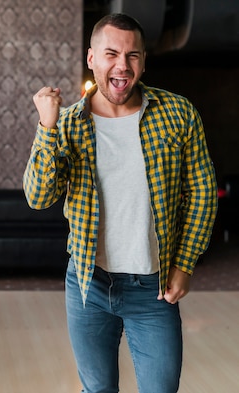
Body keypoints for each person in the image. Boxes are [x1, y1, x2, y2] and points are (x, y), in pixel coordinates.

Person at [23, 13, 217, 393]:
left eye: (133, 56)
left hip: (154, 286)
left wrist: (185, 264)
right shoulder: (66, 123)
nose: (122, 66)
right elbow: (38, 196)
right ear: (91, 58)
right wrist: (46, 128)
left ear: (144, 62)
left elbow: (202, 193)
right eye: (111, 53)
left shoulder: (177, 113)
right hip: (88, 285)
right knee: (97, 390)